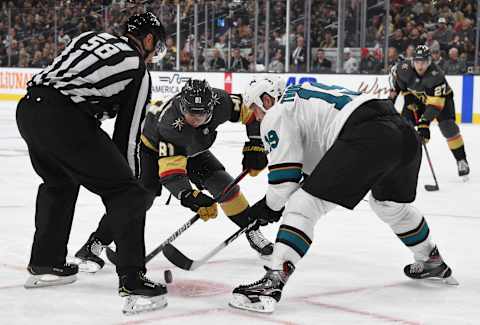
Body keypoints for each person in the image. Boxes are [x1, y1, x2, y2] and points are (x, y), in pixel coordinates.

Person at [228, 77, 457, 313]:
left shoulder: (277, 111)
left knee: (303, 205)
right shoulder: (303, 97)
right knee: (389, 204)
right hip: (403, 133)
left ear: (266, 100)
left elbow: (285, 182)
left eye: (255, 109)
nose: (255, 117)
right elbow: (319, 165)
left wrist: (267, 208)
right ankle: (431, 259)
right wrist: (277, 201)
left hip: (367, 135)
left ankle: (272, 282)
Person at [16, 11, 169, 314]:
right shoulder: (138, 69)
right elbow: (126, 138)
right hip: (65, 118)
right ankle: (133, 280)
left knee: (59, 182)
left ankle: (45, 262)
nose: (156, 52)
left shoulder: (90, 37)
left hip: (29, 109)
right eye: (157, 44)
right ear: (148, 39)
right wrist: (132, 186)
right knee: (127, 193)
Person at [75, 79, 274, 271]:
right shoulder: (171, 124)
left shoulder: (221, 102)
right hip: (150, 150)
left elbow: (252, 112)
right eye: (190, 113)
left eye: (202, 114)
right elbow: (172, 173)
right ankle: (95, 243)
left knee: (225, 186)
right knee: (141, 197)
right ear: (181, 106)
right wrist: (188, 196)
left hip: (191, 149)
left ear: (212, 107)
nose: (196, 119)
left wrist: (255, 144)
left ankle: (251, 228)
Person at [390, 45, 469, 179]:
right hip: (417, 99)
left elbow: (435, 105)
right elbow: (397, 82)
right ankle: (398, 164)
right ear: (412, 61)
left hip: (442, 102)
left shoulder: (436, 75)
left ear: (430, 62)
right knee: (403, 127)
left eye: (424, 63)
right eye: (417, 62)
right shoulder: (403, 68)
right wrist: (404, 98)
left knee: (448, 127)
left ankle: (461, 160)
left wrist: (424, 124)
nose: (420, 66)